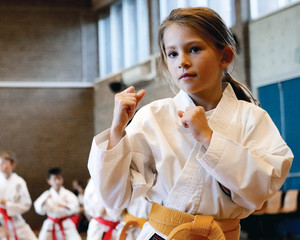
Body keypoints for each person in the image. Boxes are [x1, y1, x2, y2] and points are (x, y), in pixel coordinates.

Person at [88, 7, 294, 240]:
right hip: (163, 235)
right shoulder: (153, 116)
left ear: (224, 56)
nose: (182, 62)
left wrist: (208, 138)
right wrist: (116, 131)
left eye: (194, 49)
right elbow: (114, 198)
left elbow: (260, 189)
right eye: (172, 54)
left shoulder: (252, 118)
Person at [34, 167, 81, 240]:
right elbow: (38, 208)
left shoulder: (68, 194)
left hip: (66, 224)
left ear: (62, 179)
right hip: (51, 224)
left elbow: (76, 208)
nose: (57, 181)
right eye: (55, 179)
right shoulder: (46, 195)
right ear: (49, 181)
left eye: (59, 178)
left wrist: (65, 206)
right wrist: (45, 199)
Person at [0, 151, 37, 240]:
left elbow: (26, 205)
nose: (1, 165)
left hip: (16, 220)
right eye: (0, 163)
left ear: (12, 165)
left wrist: (7, 204)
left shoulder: (19, 182)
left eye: (4, 163)